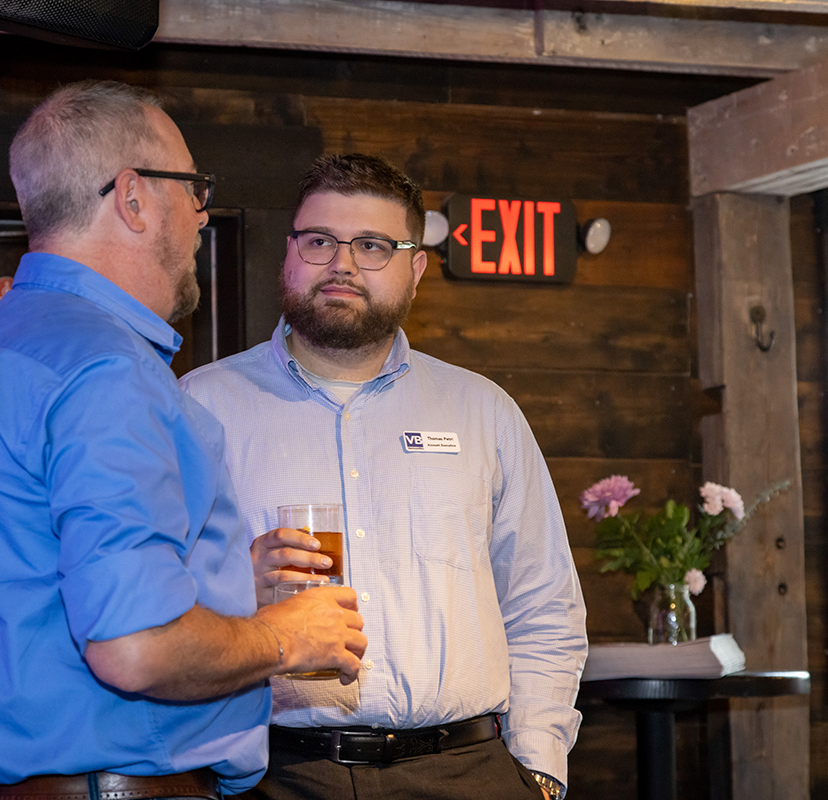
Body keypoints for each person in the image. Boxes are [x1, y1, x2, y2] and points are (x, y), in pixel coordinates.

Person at [0, 82, 367, 799]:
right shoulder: (106, 367)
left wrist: (221, 588)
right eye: (193, 187)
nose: (202, 213)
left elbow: (38, 587)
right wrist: (285, 635)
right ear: (132, 198)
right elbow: (134, 647)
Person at [179, 154, 587, 800]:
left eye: (372, 245)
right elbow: (146, 606)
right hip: (273, 775)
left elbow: (543, 605)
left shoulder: (483, 412)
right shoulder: (200, 407)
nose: (342, 264)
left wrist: (539, 769)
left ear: (415, 270)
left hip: (465, 773)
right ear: (289, 254)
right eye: (319, 241)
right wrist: (233, 585)